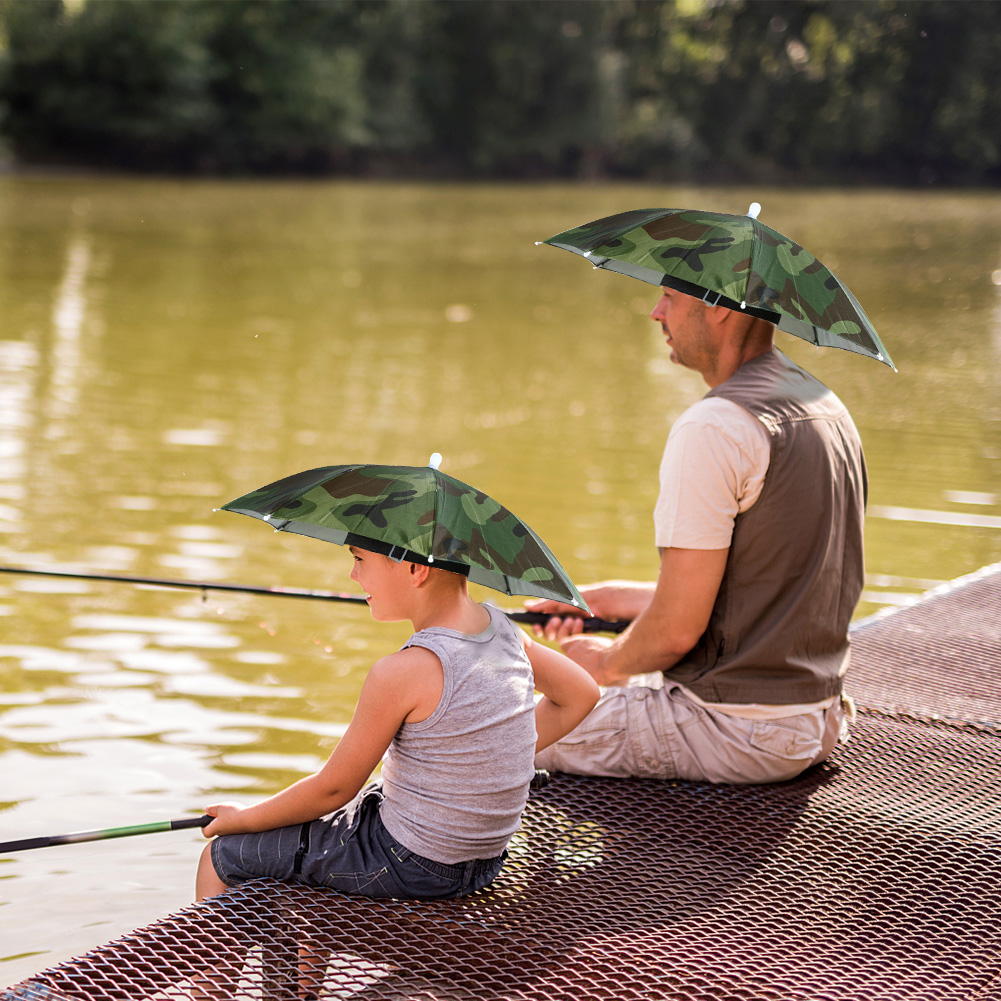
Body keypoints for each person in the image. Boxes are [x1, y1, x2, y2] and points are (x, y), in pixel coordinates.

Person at [527, 286, 867, 785]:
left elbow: (676, 632)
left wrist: (601, 664)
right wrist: (612, 600)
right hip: (816, 721)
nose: (656, 312)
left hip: (730, 729)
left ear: (721, 308)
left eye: (669, 296)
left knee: (480, 730)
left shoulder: (716, 426)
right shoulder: (822, 404)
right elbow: (779, 587)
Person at [195, 543, 599, 903]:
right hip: (486, 859)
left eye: (360, 559)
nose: (353, 574)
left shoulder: (403, 671)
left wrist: (241, 819)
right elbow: (581, 694)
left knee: (222, 856)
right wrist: (489, 759)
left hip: (411, 864)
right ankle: (301, 988)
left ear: (415, 569)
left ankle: (208, 989)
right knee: (320, 831)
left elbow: (332, 789)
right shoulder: (507, 634)